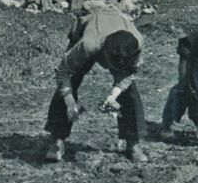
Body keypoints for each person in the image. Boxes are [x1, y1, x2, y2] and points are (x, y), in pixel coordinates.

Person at [44, 10, 148, 163]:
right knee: (71, 81)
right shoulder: (88, 45)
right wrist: (69, 102)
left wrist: (113, 96)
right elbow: (63, 73)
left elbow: (129, 74)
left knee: (130, 91)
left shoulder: (137, 43)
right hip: (90, 28)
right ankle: (57, 140)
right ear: (104, 53)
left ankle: (133, 144)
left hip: (117, 28)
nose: (116, 68)